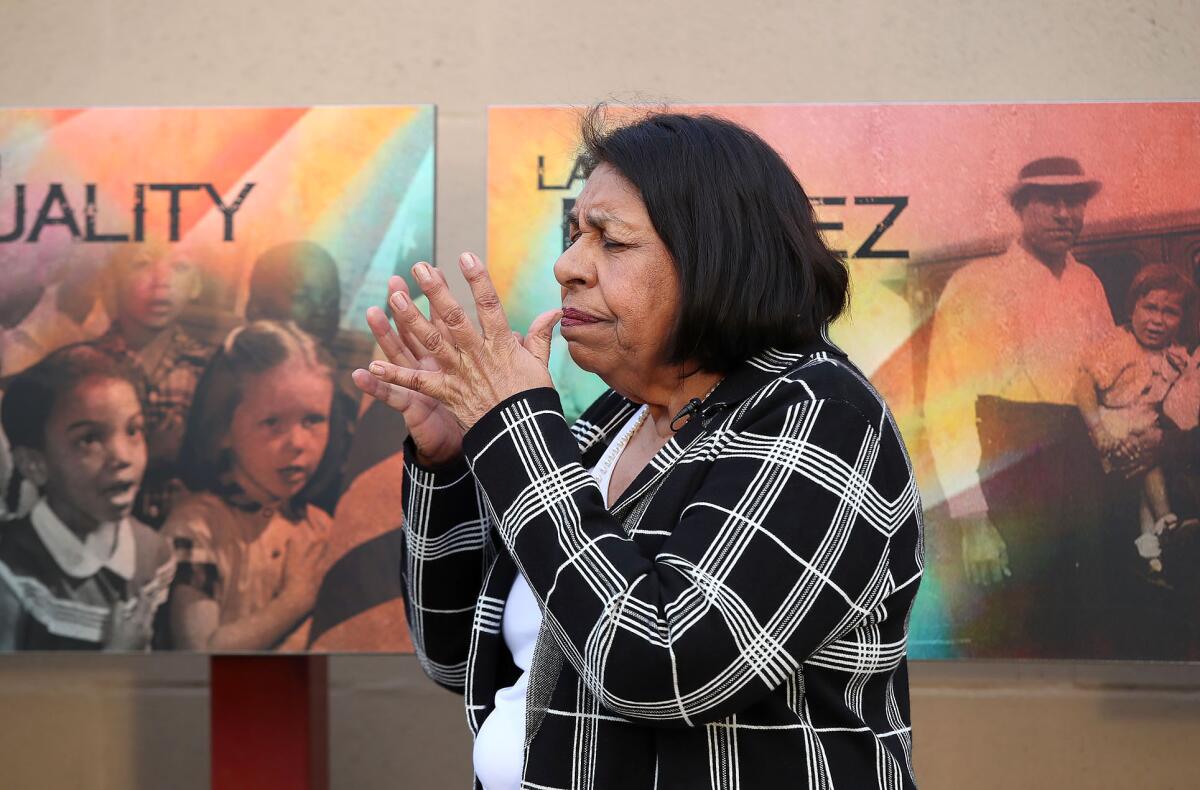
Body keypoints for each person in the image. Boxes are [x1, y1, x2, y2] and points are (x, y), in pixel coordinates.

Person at [355, 111, 923, 789]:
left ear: (716, 258)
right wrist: (452, 461)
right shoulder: (611, 421)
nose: (567, 267)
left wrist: (514, 431)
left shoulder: (819, 414)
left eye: (611, 242)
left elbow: (667, 664)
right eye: (573, 236)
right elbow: (456, 655)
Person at [925, 156, 1115, 657]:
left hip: (1080, 466)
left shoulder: (1088, 283)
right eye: (1049, 200)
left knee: (1088, 619)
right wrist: (973, 520)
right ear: (1020, 206)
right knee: (1018, 629)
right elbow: (948, 410)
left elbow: (1103, 378)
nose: (1064, 214)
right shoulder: (976, 285)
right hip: (1009, 468)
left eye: (1075, 201)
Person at [162, 321, 333, 651]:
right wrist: (297, 600)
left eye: (312, 420)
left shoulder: (321, 529)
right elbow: (199, 656)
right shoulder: (197, 528)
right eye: (272, 423)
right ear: (223, 429)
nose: (298, 442)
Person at [0, 345, 175, 650]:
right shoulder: (11, 571)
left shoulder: (154, 551)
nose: (122, 456)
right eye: (89, 439)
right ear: (35, 465)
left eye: (133, 430)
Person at [1075, 265, 1194, 578]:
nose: (1157, 320)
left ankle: (1151, 544)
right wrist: (1097, 429)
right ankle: (1166, 519)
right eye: (1150, 308)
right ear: (1132, 308)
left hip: (1147, 424)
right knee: (1148, 465)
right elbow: (1085, 384)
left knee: (1151, 468)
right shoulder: (1119, 344)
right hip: (1115, 423)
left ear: (1182, 319)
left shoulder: (1177, 354)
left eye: (1170, 312)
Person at [94, 240, 215, 527]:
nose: (162, 282)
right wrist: (151, 453)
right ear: (113, 279)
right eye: (142, 264)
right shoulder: (89, 366)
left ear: (196, 284)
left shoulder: (208, 368)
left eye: (180, 267)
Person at [245, 240, 356, 515]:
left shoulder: (344, 404)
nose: (322, 311)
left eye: (330, 301)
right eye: (303, 298)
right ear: (256, 309)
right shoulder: (232, 388)